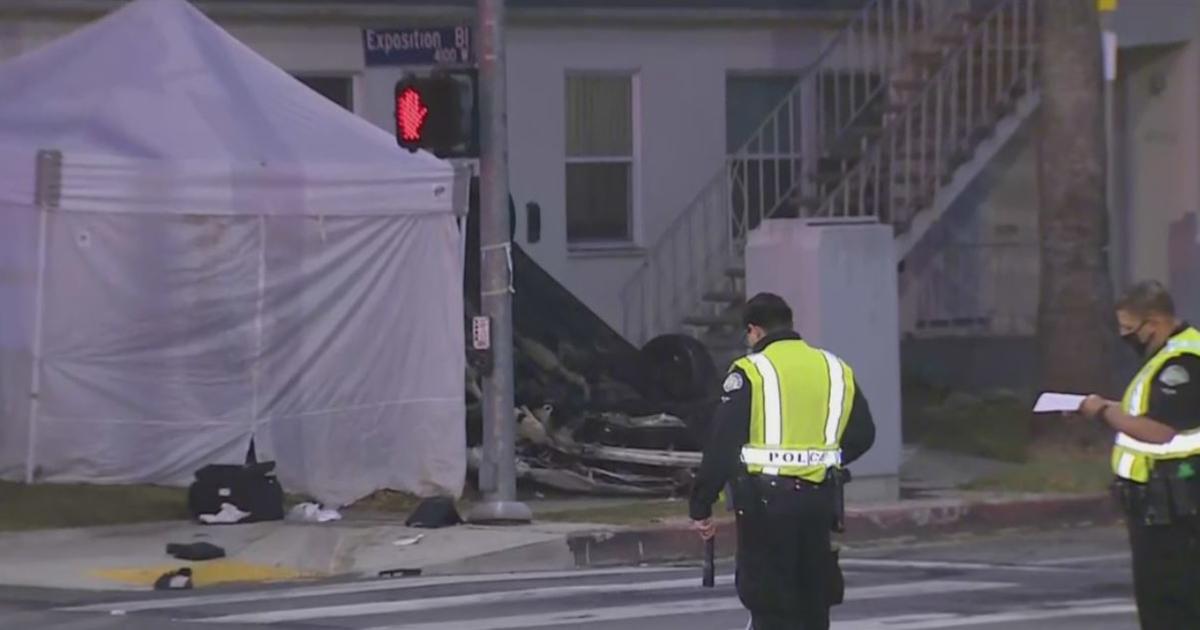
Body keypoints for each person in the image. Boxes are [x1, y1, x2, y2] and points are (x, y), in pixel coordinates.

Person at [689, 292, 876, 630]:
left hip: (766, 508)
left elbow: (722, 443)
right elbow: (864, 434)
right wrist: (824, 458)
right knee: (813, 602)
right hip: (819, 503)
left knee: (771, 604)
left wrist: (701, 503)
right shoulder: (834, 368)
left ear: (754, 331)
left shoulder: (751, 371)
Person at [1077, 280, 1200, 630]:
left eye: (1129, 329)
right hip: (1160, 504)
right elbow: (1144, 410)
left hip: (1179, 504)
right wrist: (1102, 407)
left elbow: (1159, 429)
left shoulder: (1183, 363)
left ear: (1155, 322)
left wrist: (1102, 413)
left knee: (1174, 604)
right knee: (1159, 602)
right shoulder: (1164, 355)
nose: (1124, 336)